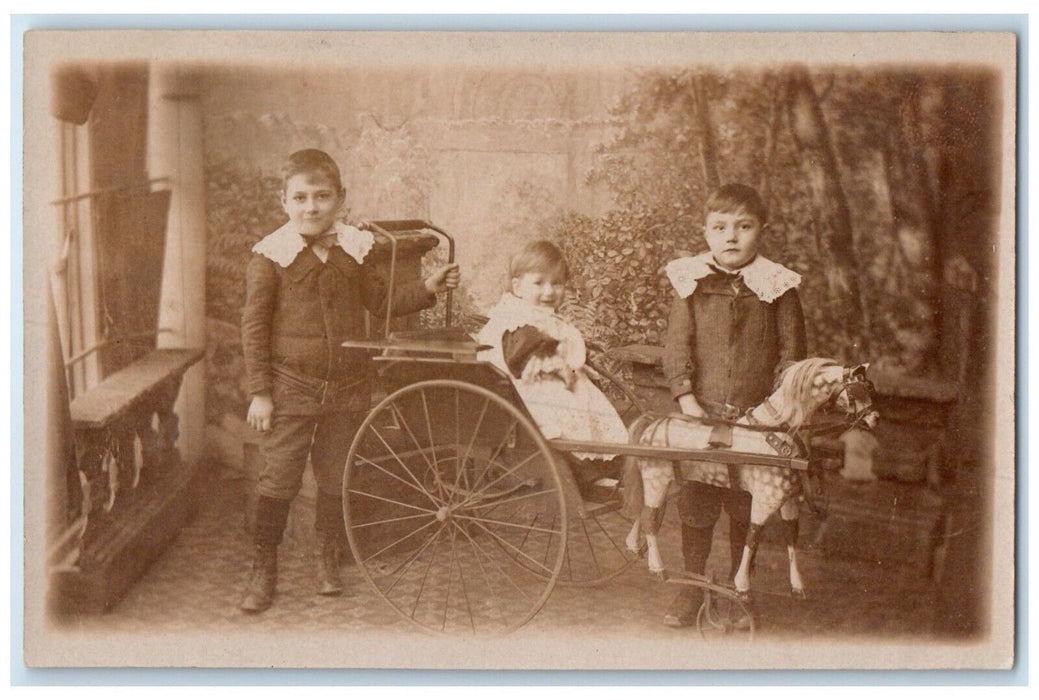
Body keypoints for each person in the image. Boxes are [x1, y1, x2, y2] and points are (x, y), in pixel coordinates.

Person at [239, 149, 459, 613]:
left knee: (337, 476)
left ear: (341, 199)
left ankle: (327, 556)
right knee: (278, 477)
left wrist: (426, 289)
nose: (311, 207)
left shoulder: (353, 250)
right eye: (300, 197)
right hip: (290, 387)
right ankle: (264, 566)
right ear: (284, 201)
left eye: (322, 196)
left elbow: (379, 303)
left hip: (347, 387)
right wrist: (259, 392)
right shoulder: (270, 257)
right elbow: (254, 328)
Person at [660, 183, 806, 627]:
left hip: (755, 422)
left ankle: (740, 588)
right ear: (705, 231)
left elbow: (792, 357)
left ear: (762, 230)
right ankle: (691, 589)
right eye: (720, 227)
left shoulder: (779, 287)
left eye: (743, 227)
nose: (731, 237)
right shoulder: (692, 281)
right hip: (700, 416)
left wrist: (773, 412)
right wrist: (686, 396)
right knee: (697, 504)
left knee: (749, 509)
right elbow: (676, 344)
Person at [477, 240, 629, 496]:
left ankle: (603, 469)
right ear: (518, 286)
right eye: (538, 283)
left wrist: (572, 362)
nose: (549, 291)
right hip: (528, 391)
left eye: (557, 283)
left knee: (592, 407)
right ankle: (583, 475)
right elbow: (519, 357)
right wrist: (556, 364)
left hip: (552, 383)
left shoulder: (538, 316)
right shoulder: (517, 319)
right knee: (567, 414)